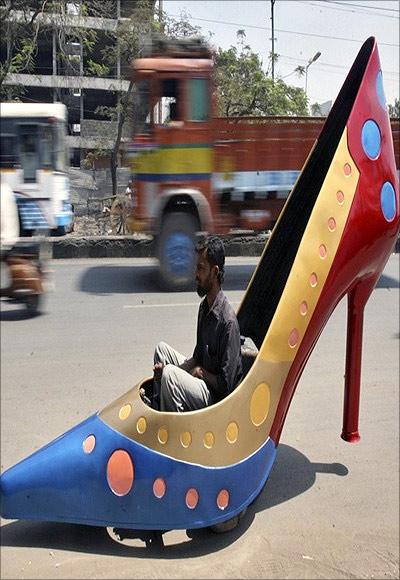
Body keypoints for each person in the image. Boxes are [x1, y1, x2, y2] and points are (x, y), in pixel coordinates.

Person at [153, 236, 242, 412]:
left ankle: (171, 429)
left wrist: (201, 373)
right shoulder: (204, 307)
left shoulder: (228, 323)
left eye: (201, 269)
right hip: (201, 378)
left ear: (215, 272)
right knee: (162, 351)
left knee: (170, 376)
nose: (196, 274)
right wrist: (172, 369)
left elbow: (226, 386)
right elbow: (197, 357)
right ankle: (159, 406)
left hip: (216, 397)